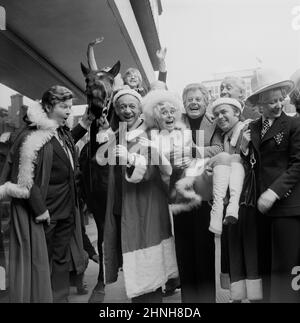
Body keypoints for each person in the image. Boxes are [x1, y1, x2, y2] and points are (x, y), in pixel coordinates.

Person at [0, 85, 93, 302]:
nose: (69, 111)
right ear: (49, 106)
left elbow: (63, 147)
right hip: (45, 213)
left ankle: (60, 299)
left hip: (66, 210)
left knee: (60, 260)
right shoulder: (31, 136)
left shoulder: (59, 131)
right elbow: (24, 179)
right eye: (64, 106)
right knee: (42, 263)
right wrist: (40, 210)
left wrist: (85, 124)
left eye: (70, 106)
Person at [96, 87, 178, 302]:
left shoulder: (151, 135)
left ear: (140, 110)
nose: (127, 110)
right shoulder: (116, 136)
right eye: (122, 106)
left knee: (148, 268)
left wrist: (132, 160)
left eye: (132, 106)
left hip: (146, 207)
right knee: (134, 265)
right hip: (122, 207)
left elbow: (155, 172)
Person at [241, 68, 300, 302]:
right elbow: (252, 167)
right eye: (270, 102)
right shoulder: (252, 128)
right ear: (258, 104)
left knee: (286, 268)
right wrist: (244, 150)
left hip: (287, 207)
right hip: (260, 209)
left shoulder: (294, 125)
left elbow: (298, 164)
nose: (277, 105)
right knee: (266, 266)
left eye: (280, 100)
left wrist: (274, 192)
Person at [167, 83, 223, 303]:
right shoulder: (174, 121)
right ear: (183, 102)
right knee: (183, 248)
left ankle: (206, 300)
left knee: (204, 249)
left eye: (198, 99)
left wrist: (192, 151)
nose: (193, 102)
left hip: (203, 194)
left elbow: (218, 149)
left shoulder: (214, 122)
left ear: (206, 101)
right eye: (189, 99)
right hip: (180, 194)